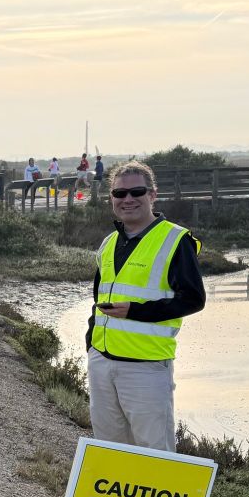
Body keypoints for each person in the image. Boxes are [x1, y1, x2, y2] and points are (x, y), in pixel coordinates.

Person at [85, 160, 205, 452]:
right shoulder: (109, 243)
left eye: (136, 192)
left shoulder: (175, 240)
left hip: (146, 369)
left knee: (154, 452)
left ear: (152, 194)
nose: (127, 199)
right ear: (112, 198)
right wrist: (91, 346)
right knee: (109, 449)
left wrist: (136, 311)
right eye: (119, 193)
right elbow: (98, 300)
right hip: (102, 363)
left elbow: (193, 299)